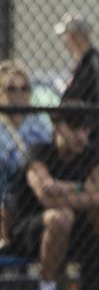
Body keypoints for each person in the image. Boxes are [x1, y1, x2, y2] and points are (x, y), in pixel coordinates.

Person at [5, 100, 99, 290]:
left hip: (74, 231)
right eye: (75, 127)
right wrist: (86, 189)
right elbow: (47, 198)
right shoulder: (38, 151)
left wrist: (67, 187)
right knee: (61, 216)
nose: (81, 135)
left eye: (86, 128)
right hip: (28, 232)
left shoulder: (91, 155)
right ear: (58, 127)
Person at [0, 61, 51, 244]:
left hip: (30, 196)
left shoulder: (38, 125)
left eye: (24, 88)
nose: (19, 94)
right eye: (11, 89)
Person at [54, 12, 99, 160]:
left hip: (95, 138)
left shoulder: (95, 64)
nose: (64, 40)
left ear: (76, 36)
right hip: (77, 136)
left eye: (66, 35)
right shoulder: (80, 64)